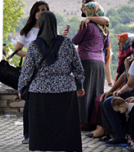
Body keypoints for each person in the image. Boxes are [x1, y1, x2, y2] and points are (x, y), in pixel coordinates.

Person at [18, 11, 85, 152]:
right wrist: (79, 85)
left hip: (40, 92)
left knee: (42, 129)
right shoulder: (67, 43)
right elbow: (78, 67)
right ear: (55, 24)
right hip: (66, 90)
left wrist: (21, 88)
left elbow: (27, 71)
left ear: (41, 25)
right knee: (65, 126)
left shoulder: (34, 46)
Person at [86, 32, 134, 139]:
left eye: (120, 42)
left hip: (128, 88)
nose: (118, 44)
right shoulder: (124, 55)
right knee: (100, 98)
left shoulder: (131, 56)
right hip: (123, 87)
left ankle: (107, 131)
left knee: (104, 99)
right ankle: (101, 129)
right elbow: (121, 76)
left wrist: (113, 90)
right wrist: (111, 89)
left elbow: (127, 78)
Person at [14, 0, 50, 144]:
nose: (42, 12)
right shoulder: (27, 31)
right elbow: (17, 50)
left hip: (47, 71)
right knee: (29, 103)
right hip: (31, 71)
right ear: (34, 13)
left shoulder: (50, 31)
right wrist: (31, 55)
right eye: (39, 10)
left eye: (45, 10)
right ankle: (27, 134)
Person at [72, 1, 110, 130]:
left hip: (86, 61)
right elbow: (105, 47)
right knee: (96, 92)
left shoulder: (86, 25)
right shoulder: (104, 30)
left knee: (85, 92)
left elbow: (75, 40)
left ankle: (84, 121)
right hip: (100, 63)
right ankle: (95, 122)